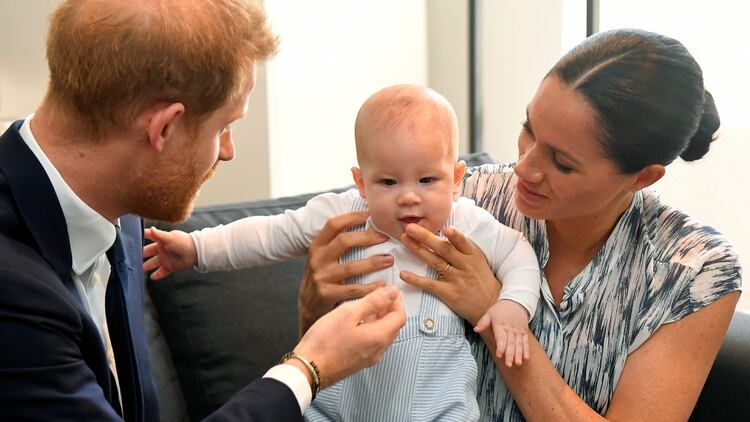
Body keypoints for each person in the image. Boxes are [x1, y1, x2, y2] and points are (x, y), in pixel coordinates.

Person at [299, 28, 743, 421]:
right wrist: (312, 307)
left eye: (562, 163)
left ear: (643, 177)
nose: (525, 169)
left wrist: (495, 315)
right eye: (529, 129)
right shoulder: (461, 200)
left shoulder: (693, 271)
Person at [0, 0, 406, 420]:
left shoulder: (120, 209)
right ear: (165, 128)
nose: (228, 151)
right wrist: (308, 368)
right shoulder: (12, 290)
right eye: (224, 126)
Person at [143, 84, 542, 421]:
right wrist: (195, 248)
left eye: (426, 179)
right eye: (387, 181)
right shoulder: (345, 212)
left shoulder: (465, 221)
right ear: (360, 182)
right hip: (342, 405)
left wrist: (511, 306)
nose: (408, 197)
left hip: (437, 406)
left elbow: (518, 254)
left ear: (455, 179)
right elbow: (269, 234)